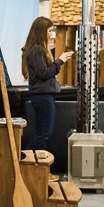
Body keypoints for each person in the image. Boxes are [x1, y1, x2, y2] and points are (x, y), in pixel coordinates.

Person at [22, 17, 72, 156]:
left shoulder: (37, 49)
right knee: (43, 135)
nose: (51, 34)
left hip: (43, 96)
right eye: (49, 31)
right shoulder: (37, 50)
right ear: (42, 31)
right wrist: (59, 61)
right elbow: (43, 73)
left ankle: (31, 163)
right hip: (43, 96)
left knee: (43, 134)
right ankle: (27, 162)